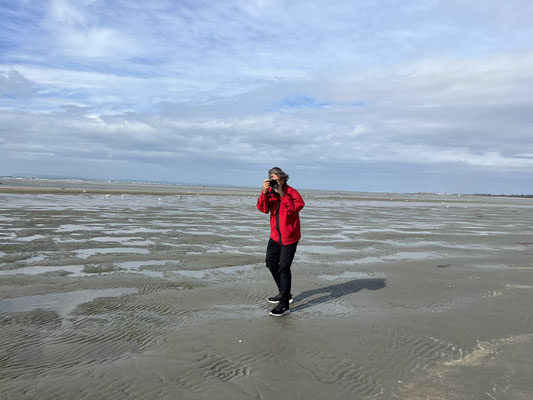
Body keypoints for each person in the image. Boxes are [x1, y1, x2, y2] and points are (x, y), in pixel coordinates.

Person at [256, 167, 305, 316]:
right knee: (270, 263)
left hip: (290, 237)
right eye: (273, 180)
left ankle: (284, 306)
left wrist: (282, 193)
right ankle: (285, 294)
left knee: (284, 268)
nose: (276, 182)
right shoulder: (270, 192)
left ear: (284, 179)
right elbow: (263, 209)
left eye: (278, 179)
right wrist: (264, 192)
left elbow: (294, 209)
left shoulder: (292, 192)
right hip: (275, 236)